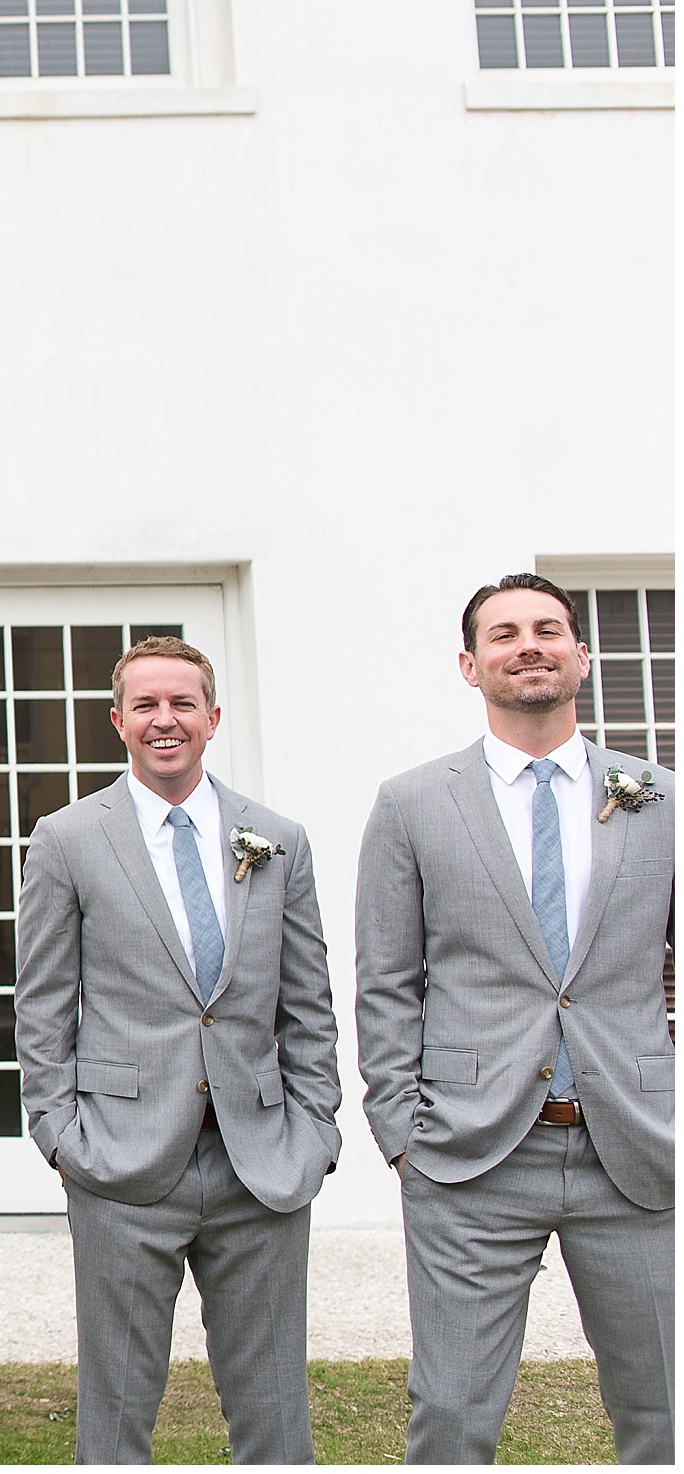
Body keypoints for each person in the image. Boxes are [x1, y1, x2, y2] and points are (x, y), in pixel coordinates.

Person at [357, 573, 674, 1464]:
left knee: (666, 1412)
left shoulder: (662, 799)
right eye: (504, 634)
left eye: (547, 629)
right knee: (453, 1417)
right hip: (470, 1155)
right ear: (470, 664)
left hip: (638, 1149)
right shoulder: (415, 802)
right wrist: (402, 1135)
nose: (527, 645)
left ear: (583, 653)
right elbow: (387, 980)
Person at [15, 635, 340, 1463]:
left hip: (259, 1164)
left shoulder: (278, 840)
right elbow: (43, 1005)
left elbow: (308, 1006)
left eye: (183, 703)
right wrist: (62, 1135)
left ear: (213, 717)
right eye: (148, 706)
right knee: (118, 1409)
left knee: (274, 1411)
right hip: (121, 1164)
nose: (166, 720)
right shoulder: (66, 839)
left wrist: (314, 1134)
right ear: (117, 720)